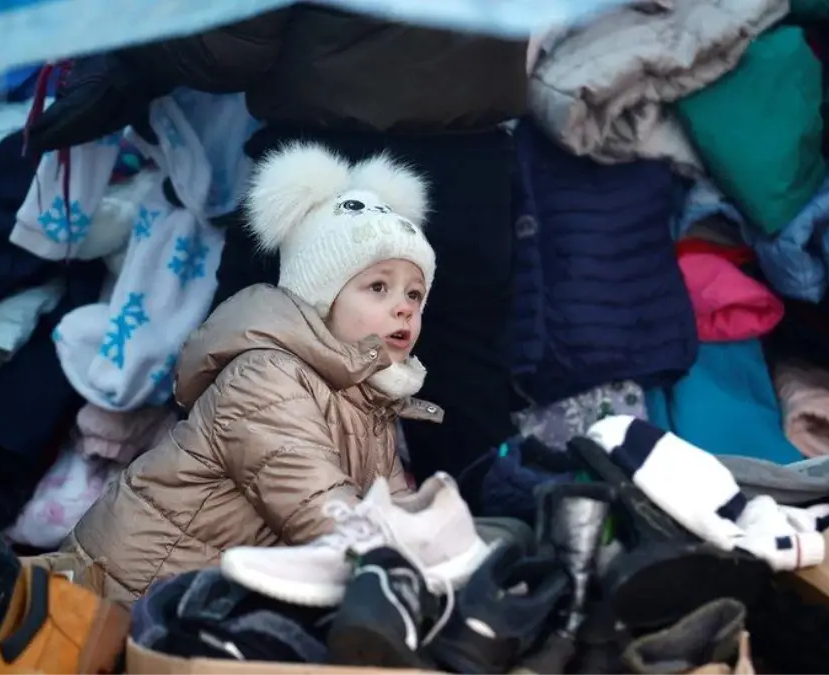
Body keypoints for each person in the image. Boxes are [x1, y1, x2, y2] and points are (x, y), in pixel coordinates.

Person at [26, 6, 525, 483]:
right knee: (462, 413)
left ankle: (256, 564)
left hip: (328, 171)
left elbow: (227, 50)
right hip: (472, 168)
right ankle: (491, 554)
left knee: (242, 403)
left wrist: (130, 33)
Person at [66, 142, 447, 603]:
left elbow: (387, 506)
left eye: (414, 295)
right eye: (378, 287)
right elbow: (318, 509)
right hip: (121, 592)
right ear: (320, 296)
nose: (403, 309)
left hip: (191, 598)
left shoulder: (367, 402)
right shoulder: (268, 377)